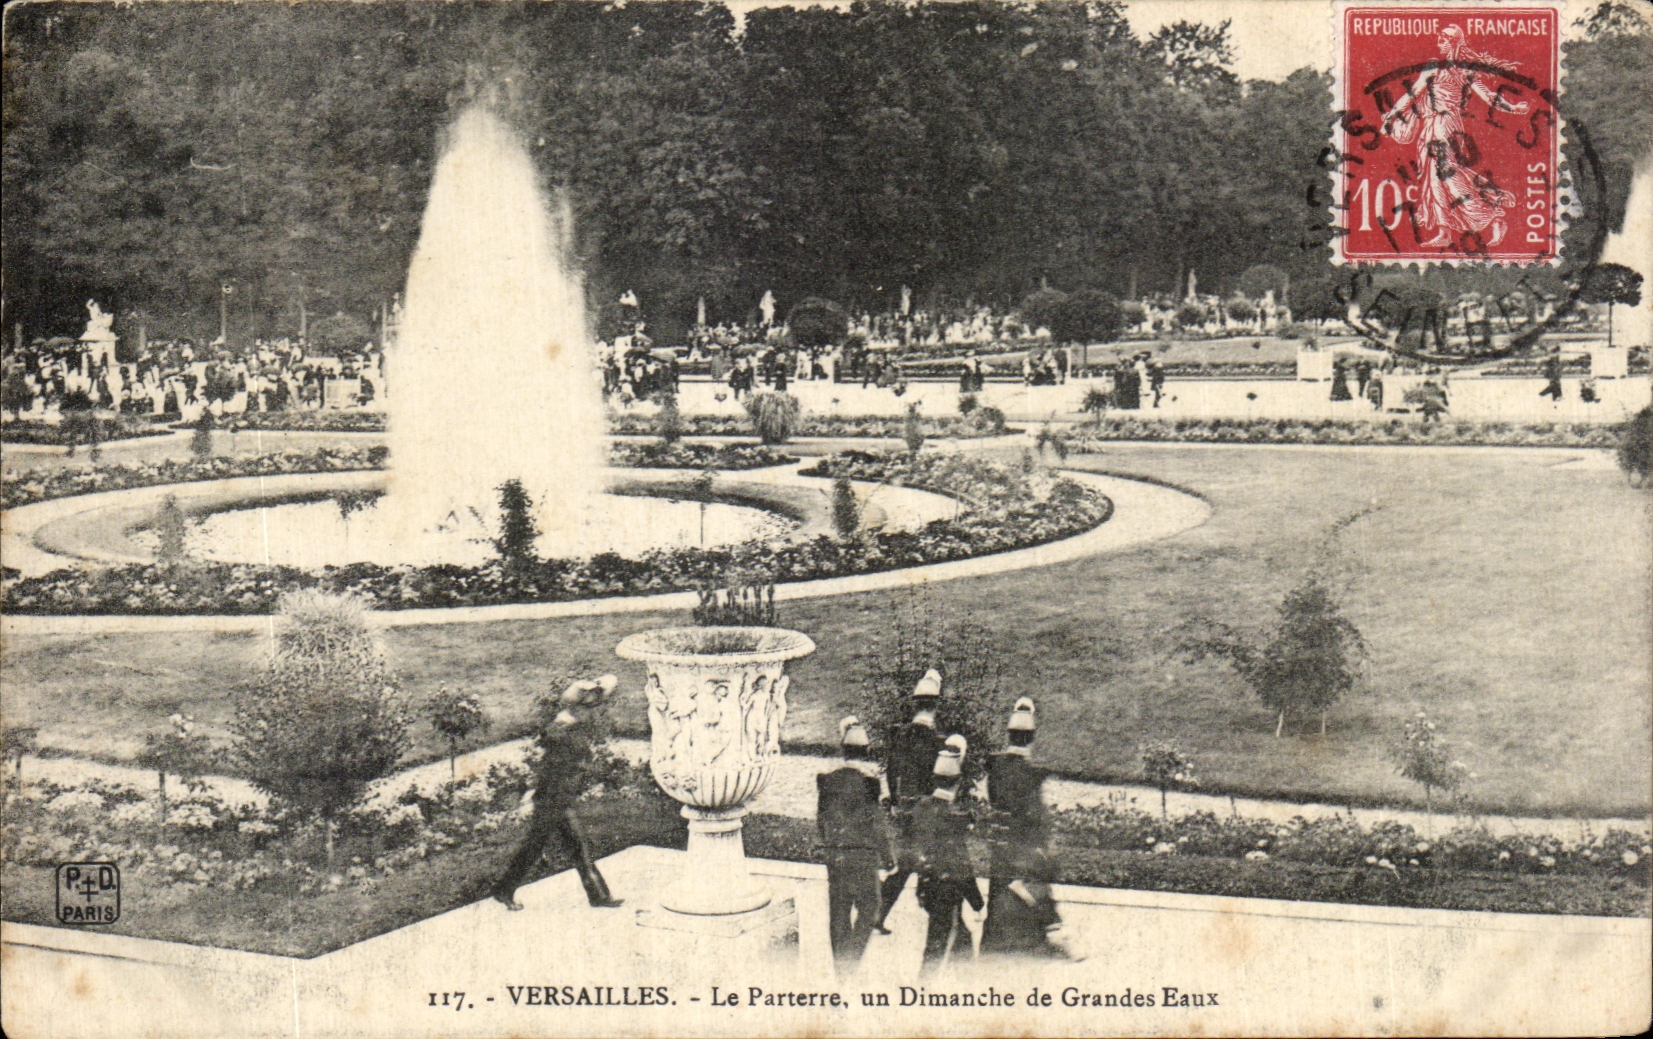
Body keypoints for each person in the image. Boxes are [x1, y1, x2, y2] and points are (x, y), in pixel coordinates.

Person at [1380, 25, 1529, 248]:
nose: (1439, 42)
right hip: (1433, 125)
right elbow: (1412, 95)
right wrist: (1391, 117)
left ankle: (1494, 215)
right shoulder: (1450, 67)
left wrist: (1513, 107)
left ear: (1452, 42)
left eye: (1443, 39)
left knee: (1447, 174)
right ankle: (1444, 231)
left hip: (1444, 124)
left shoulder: (1457, 69)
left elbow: (1487, 96)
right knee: (1433, 177)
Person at [491, 676, 624, 911]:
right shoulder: (561, 729)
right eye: (590, 705)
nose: (594, 710)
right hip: (552, 799)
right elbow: (554, 766)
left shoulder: (574, 723)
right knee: (542, 847)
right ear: (577, 706)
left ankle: (599, 896)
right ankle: (504, 889)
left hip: (560, 797)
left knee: (572, 847)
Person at [980, 699, 1071, 959]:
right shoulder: (1029, 773)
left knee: (997, 904)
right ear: (1031, 738)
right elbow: (1036, 816)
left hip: (1000, 847)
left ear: (1009, 735)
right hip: (1023, 849)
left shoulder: (996, 767)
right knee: (1029, 902)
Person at [817, 716, 891, 972]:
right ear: (867, 752)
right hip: (862, 855)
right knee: (870, 908)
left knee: (839, 913)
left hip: (835, 854)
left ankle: (840, 969)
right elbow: (877, 822)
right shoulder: (870, 783)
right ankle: (850, 959)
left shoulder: (827, 780)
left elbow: (821, 819)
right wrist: (887, 855)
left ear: (844, 750)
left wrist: (829, 845)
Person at [874, 668, 944, 932]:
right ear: (936, 705)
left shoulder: (901, 736)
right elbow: (936, 779)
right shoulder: (936, 740)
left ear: (915, 704)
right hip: (924, 810)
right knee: (928, 863)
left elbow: (891, 770)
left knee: (906, 865)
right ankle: (943, 921)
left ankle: (877, 912)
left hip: (903, 806)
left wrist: (893, 800)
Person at [913, 734, 983, 976]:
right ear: (957, 781)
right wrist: (977, 901)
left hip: (926, 886)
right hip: (947, 891)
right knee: (937, 944)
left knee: (959, 938)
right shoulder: (954, 818)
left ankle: (967, 982)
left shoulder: (922, 808)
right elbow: (961, 863)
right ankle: (923, 992)